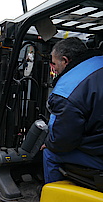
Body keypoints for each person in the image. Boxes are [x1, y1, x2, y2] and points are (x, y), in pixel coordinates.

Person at [42, 37, 103, 184]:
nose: (54, 68)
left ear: (65, 61)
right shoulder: (98, 61)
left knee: (49, 153)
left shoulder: (67, 90)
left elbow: (63, 140)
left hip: (99, 155)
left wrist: (50, 143)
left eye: (54, 63)